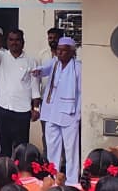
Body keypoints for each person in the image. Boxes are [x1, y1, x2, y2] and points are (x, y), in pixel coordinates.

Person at [34, 36, 81, 186]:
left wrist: (78, 114)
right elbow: (44, 70)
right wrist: (37, 71)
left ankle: (72, 182)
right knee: (52, 148)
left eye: (63, 51)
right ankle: (52, 178)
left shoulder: (78, 67)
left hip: (69, 114)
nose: (59, 53)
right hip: (51, 112)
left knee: (71, 150)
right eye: (58, 50)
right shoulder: (54, 63)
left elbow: (81, 93)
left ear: (72, 52)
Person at [0, 28, 41, 156]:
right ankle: (5, 167)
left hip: (22, 110)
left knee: (21, 148)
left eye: (17, 40)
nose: (14, 43)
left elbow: (35, 86)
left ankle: (20, 168)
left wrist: (36, 108)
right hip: (2, 107)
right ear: (7, 42)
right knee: (4, 145)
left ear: (23, 42)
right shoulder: (1, 56)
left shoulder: (31, 61)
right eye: (11, 40)